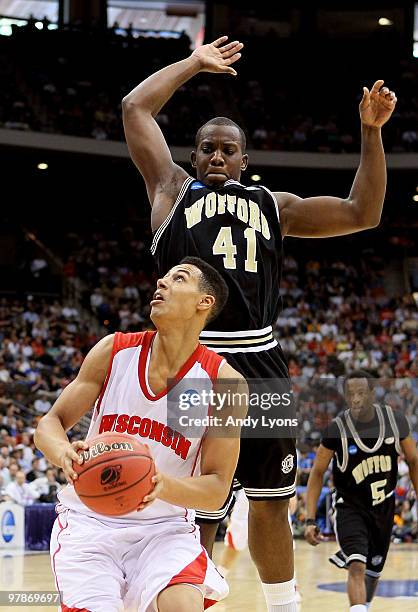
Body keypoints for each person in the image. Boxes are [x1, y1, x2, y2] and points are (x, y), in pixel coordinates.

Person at [122, 35, 397, 611]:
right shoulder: (171, 191)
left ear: (245, 160)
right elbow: (135, 108)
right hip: (194, 362)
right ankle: (189, 590)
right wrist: (194, 65)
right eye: (206, 149)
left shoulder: (276, 205)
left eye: (227, 150)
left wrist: (371, 134)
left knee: (270, 497)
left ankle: (283, 604)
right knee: (195, 501)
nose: (216, 157)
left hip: (259, 360)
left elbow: (362, 213)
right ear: (193, 157)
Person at [35, 257, 247, 612]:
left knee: (182, 605)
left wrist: (159, 484)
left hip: (164, 530)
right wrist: (62, 453)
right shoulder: (114, 350)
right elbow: (49, 423)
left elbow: (216, 490)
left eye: (177, 278)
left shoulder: (223, 383)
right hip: (90, 525)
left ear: (204, 302)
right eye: (162, 278)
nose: (161, 283)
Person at [304, 370, 418, 612]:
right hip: (349, 508)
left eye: (361, 393)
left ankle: (362, 606)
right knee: (356, 565)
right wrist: (310, 518)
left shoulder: (394, 422)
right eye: (350, 394)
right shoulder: (337, 429)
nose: (355, 399)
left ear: (373, 394)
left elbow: (414, 461)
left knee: (373, 571)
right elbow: (316, 472)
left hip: (383, 508)